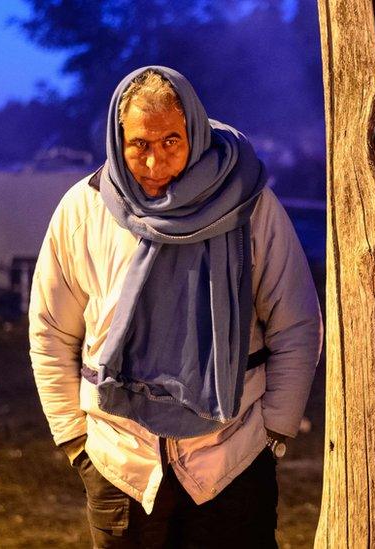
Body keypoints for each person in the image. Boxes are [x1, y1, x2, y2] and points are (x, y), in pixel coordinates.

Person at [29, 66, 324, 547]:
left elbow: (296, 321)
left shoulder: (246, 205)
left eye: (171, 141)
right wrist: (74, 441)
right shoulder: (83, 212)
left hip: (233, 456)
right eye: (139, 145)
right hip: (121, 464)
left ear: (195, 131)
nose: (154, 163)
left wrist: (274, 432)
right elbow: (50, 329)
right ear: (116, 140)